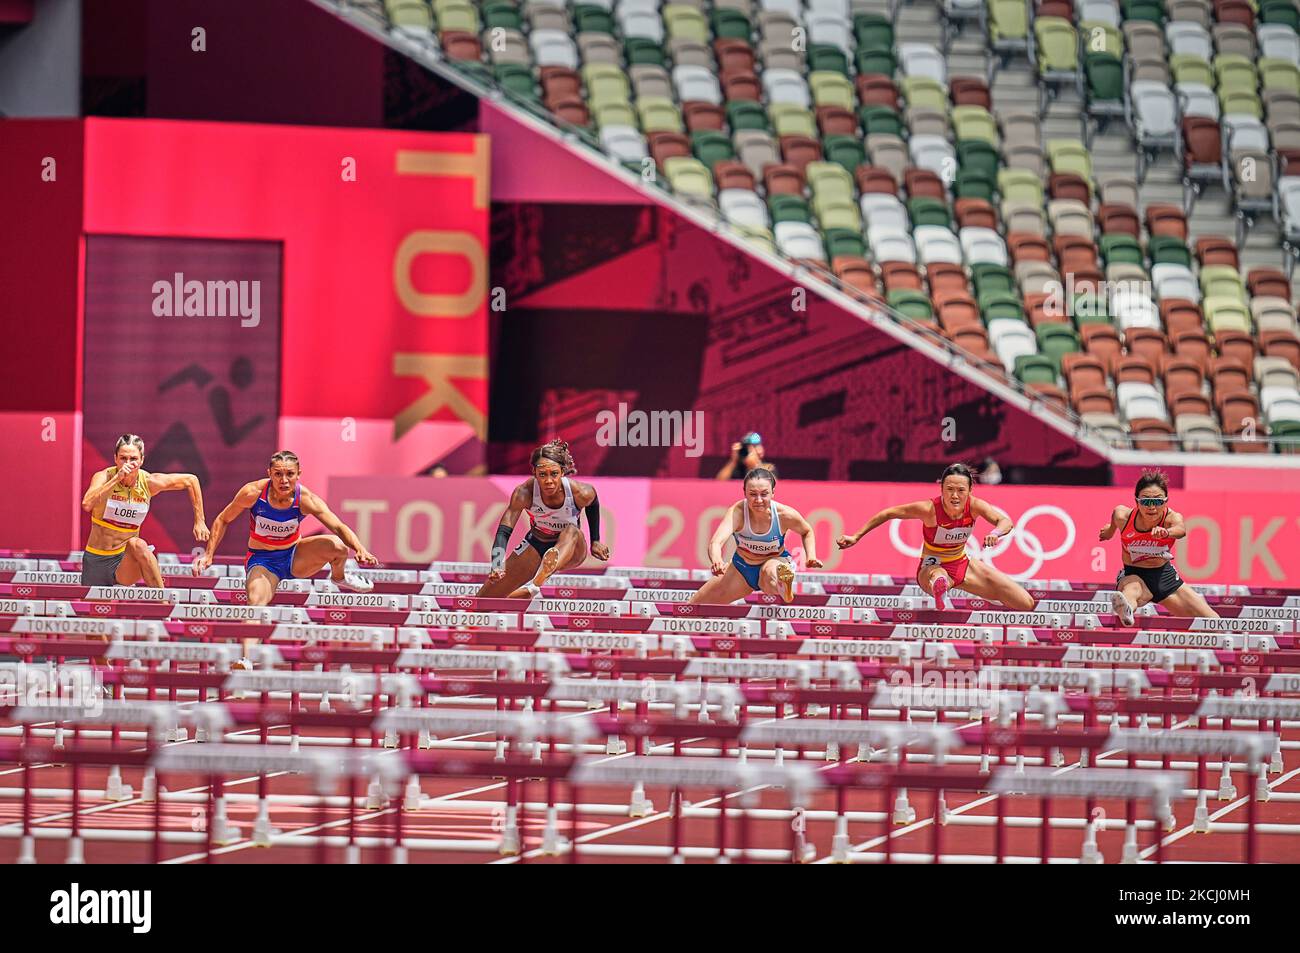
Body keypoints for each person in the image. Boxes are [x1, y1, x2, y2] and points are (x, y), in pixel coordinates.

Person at [836, 462, 1036, 611]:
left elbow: (1005, 521)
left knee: (1025, 603)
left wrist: (995, 533)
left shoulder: (975, 506)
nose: (955, 496)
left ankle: (963, 592)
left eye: (960, 490)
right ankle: (940, 588)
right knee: (939, 575)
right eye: (949, 490)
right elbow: (888, 513)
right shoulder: (929, 509)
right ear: (941, 489)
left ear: (970, 491)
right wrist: (856, 536)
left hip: (963, 564)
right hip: (931, 567)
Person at [193, 450, 379, 605]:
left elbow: (338, 526)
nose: (284, 480)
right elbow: (223, 519)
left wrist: (360, 549)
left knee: (338, 546)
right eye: (278, 474)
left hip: (294, 557)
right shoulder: (253, 493)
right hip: (262, 560)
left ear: (298, 474)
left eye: (290, 474)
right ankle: (248, 647)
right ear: (269, 474)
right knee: (255, 606)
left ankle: (339, 578)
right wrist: (209, 554)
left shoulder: (305, 499)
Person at [478, 440, 610, 598]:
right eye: (542, 475)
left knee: (571, 531)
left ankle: (537, 582)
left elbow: (593, 502)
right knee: (484, 600)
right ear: (534, 472)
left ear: (562, 472)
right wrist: (497, 563)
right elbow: (504, 531)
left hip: (572, 549)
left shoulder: (580, 492)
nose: (548, 481)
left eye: (554, 474)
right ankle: (532, 587)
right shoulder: (524, 493)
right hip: (536, 544)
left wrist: (595, 540)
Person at [80, 433, 209, 587]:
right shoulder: (104, 477)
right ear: (115, 459)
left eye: (133, 459)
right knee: (94, 611)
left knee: (138, 544)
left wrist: (200, 520)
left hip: (124, 562)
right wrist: (116, 479)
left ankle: (164, 604)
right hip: (96, 558)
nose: (128, 463)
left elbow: (191, 480)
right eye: (123, 458)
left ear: (141, 460)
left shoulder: (148, 483)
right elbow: (87, 504)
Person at [1099, 469, 1217, 624]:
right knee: (1131, 590)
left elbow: (1181, 530)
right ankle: (1126, 609)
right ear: (1137, 502)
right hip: (1134, 573)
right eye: (1146, 501)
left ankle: (1128, 605)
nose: (1152, 507)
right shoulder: (1123, 516)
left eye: (1158, 501)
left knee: (1214, 623)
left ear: (1165, 502)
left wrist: (1166, 533)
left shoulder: (1171, 518)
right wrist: (1109, 532)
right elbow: (1114, 522)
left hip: (1164, 577)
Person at [690, 468, 823, 605]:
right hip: (741, 568)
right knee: (694, 606)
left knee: (770, 570)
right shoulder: (738, 512)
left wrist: (811, 556)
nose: (758, 500)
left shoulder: (785, 514)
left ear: (773, 493)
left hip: (775, 559)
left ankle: (780, 582)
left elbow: (806, 531)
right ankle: (779, 584)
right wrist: (716, 560)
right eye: (753, 494)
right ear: (745, 493)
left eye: (764, 494)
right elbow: (716, 542)